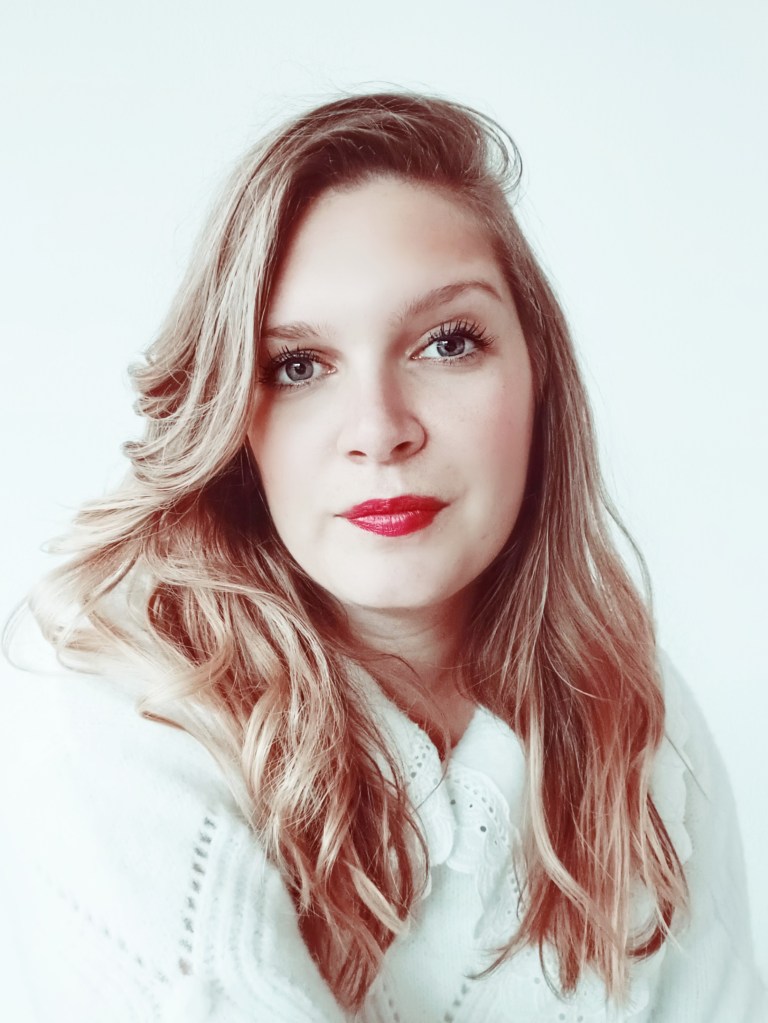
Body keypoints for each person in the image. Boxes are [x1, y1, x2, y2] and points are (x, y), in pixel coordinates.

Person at [2, 91, 765, 1022]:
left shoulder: (632, 709)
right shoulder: (100, 677)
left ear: (539, 377)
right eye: (298, 365)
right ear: (232, 414)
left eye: (447, 343)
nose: (379, 429)